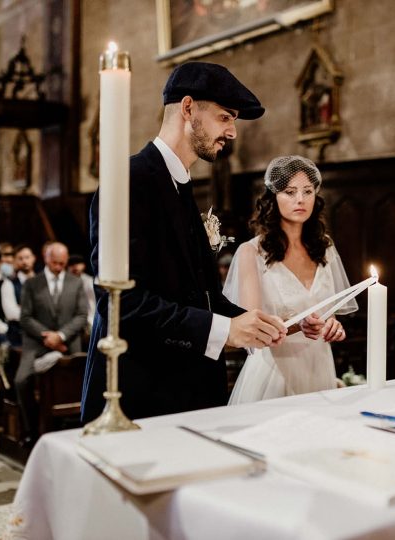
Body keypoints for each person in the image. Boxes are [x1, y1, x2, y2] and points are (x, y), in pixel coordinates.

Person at [81, 62, 287, 422]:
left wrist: (262, 323)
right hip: (139, 400)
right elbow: (122, 304)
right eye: (225, 117)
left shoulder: (181, 185)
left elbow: (199, 296)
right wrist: (224, 330)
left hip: (188, 395)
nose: (233, 132)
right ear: (188, 108)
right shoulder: (130, 180)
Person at [222, 155, 356, 403]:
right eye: (290, 191)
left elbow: (328, 311)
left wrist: (332, 325)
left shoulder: (324, 248)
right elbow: (253, 328)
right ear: (273, 197)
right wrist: (298, 324)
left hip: (320, 367)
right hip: (275, 370)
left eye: (307, 191)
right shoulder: (251, 252)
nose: (300, 199)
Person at [16, 242, 88, 445]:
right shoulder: (32, 284)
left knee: (76, 382)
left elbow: (81, 315)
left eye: (62, 263)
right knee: (22, 381)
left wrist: (61, 336)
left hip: (68, 343)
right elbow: (25, 317)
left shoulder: (76, 283)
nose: (58, 267)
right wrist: (46, 336)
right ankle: (31, 430)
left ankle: (70, 426)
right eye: (55, 262)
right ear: (46, 258)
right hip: (37, 343)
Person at [0, 244, 36, 347]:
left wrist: (23, 308)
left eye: (27, 257)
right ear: (15, 261)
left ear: (33, 258)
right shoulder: (9, 283)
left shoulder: (43, 281)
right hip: (18, 337)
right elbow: (11, 313)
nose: (24, 261)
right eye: (20, 258)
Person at [67, 253, 96, 331]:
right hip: (70, 320)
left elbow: (92, 303)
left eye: (78, 263)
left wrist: (91, 320)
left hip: (88, 319)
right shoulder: (65, 282)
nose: (75, 267)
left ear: (83, 265)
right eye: (72, 264)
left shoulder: (89, 281)